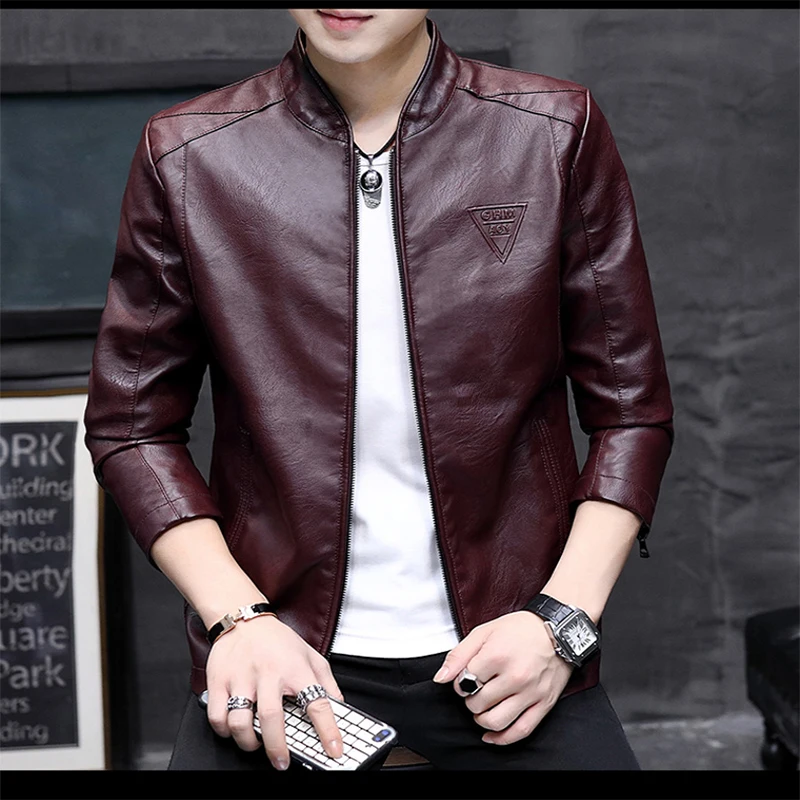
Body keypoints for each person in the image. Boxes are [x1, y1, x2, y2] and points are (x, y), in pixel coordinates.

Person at [83, 9, 674, 771]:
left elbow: (631, 411)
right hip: (279, 657)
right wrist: (238, 621)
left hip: (513, 652)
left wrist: (561, 622)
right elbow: (131, 425)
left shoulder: (551, 130)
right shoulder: (191, 152)